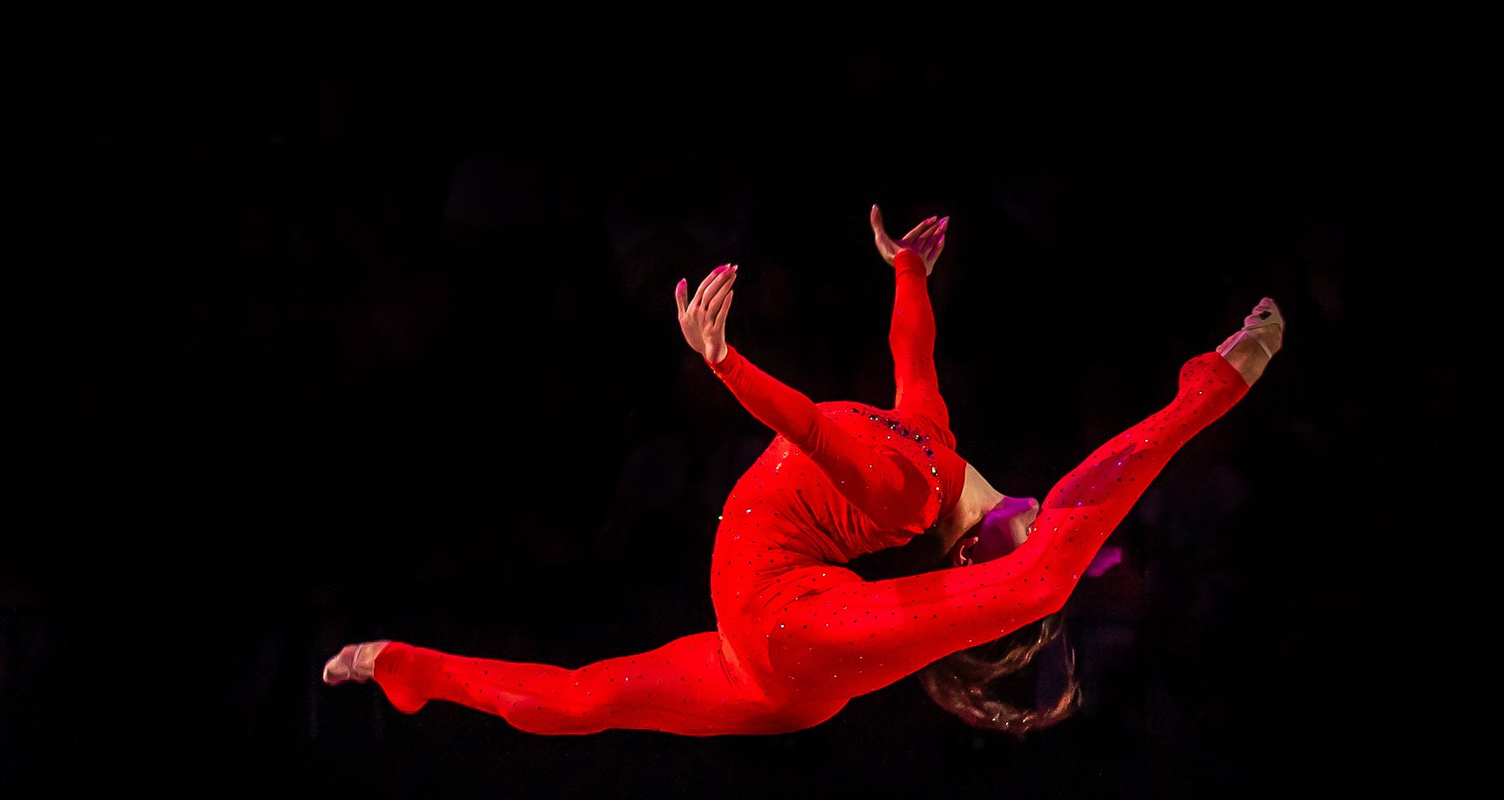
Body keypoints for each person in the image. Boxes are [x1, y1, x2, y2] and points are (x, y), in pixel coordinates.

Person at [323, 207, 1281, 735]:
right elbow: (915, 360)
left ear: (979, 546)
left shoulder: (913, 497)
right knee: (586, 697)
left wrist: (725, 363)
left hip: (788, 628)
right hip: (782, 647)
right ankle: (409, 670)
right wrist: (908, 272)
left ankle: (1209, 392)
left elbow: (816, 431)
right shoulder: (933, 453)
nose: (1055, 514)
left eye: (1024, 537)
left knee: (1044, 582)